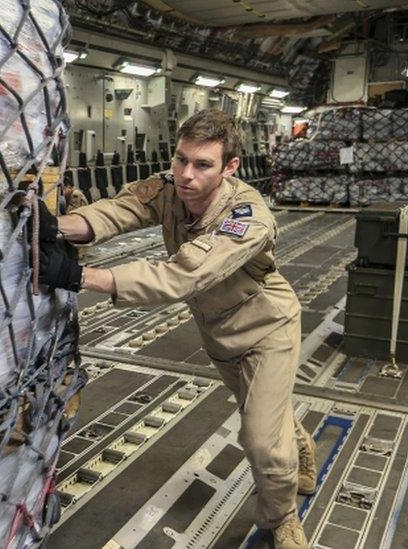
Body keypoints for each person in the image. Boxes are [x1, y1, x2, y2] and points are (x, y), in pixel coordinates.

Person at [32, 110, 317, 549]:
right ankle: (296, 442)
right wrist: (57, 225)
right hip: (217, 329)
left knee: (261, 439)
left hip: (266, 327)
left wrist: (80, 277)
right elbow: (120, 210)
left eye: (202, 165)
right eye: (180, 159)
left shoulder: (247, 216)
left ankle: (282, 518)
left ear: (230, 167)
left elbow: (183, 274)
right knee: (262, 408)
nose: (186, 175)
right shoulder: (170, 188)